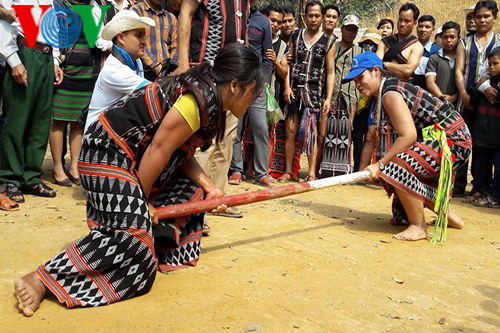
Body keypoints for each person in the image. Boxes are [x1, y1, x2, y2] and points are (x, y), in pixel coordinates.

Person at [14, 43, 265, 317]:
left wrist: (210, 187)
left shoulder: (210, 97)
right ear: (235, 86)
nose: (255, 98)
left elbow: (178, 150)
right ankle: (43, 278)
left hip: (131, 161)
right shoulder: (199, 99)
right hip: (105, 154)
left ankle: (154, 241)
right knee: (134, 240)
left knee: (194, 192)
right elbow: (159, 148)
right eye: (254, 91)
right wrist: (142, 203)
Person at [343, 52, 471, 241]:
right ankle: (447, 214)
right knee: (395, 166)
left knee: (394, 168)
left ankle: (418, 226)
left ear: (376, 71)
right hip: (448, 139)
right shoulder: (386, 90)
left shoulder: (390, 94)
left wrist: (380, 164)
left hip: (452, 141)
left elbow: (408, 135)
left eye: (361, 77)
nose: (358, 84)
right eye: (355, 81)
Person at [175, 0, 250, 224]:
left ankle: (217, 198)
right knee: (201, 141)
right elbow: (185, 12)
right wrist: (182, 62)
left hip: (235, 74)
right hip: (206, 69)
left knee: (226, 138)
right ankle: (193, 203)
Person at [0, 0, 64, 204]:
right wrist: (13, 61)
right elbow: (5, 24)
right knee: (16, 119)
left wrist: (54, 61)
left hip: (45, 57)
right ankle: (10, 177)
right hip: (23, 52)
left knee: (41, 119)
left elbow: (52, 31)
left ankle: (31, 176)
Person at [280, 0, 335, 183]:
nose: (313, 19)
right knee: (290, 131)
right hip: (294, 91)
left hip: (314, 94)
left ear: (321, 17)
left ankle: (311, 173)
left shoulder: (329, 42)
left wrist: (328, 98)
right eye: (310, 15)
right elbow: (288, 62)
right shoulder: (295, 36)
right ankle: (289, 171)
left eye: (317, 16)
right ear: (304, 17)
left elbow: (330, 72)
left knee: (312, 135)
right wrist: (287, 86)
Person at [455, 0, 499, 200]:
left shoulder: (499, 42)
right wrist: (464, 95)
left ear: (494, 18)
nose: (482, 20)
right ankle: (459, 185)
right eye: (478, 16)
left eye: (486, 16)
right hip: (467, 100)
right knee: (461, 141)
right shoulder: (465, 43)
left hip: (492, 105)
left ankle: (485, 188)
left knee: (488, 146)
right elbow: (459, 71)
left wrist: (488, 89)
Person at [229, 0, 275, 187]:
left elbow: (267, 55)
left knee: (261, 128)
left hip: (256, 85)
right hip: (235, 85)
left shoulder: (262, 22)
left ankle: (261, 173)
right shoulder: (230, 17)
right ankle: (236, 170)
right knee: (234, 129)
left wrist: (263, 82)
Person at [84, 10, 154, 132]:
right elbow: (154, 92)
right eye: (138, 35)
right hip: (98, 140)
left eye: (143, 36)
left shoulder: (136, 62)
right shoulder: (114, 70)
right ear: (121, 38)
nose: (144, 41)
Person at [318, 14, 361, 177]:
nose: (350, 32)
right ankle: (319, 169)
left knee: (345, 134)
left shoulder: (359, 50)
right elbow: (329, 71)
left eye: (353, 30)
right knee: (324, 134)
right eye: (348, 29)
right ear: (342, 29)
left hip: (350, 96)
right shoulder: (333, 46)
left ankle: (340, 171)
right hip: (332, 94)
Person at [469, 47, 500, 208]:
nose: (492, 67)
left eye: (495, 63)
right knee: (481, 164)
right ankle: (480, 190)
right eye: (490, 64)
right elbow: (473, 100)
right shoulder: (485, 83)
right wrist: (480, 86)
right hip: (482, 131)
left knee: (499, 167)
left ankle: (496, 196)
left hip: (497, 134)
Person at [352, 28, 381, 173]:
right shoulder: (358, 60)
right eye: (366, 43)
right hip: (361, 105)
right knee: (360, 137)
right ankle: (360, 171)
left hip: (375, 103)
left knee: (373, 135)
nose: (369, 46)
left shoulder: (389, 91)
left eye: (372, 44)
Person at [131, 0, 178, 81]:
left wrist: (169, 69)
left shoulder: (171, 18)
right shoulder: (136, 11)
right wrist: (157, 68)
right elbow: (136, 43)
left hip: (167, 76)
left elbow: (177, 47)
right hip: (143, 72)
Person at [376, 2, 424, 81]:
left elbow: (408, 70)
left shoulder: (417, 46)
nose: (402, 24)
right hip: (381, 84)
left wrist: (385, 64)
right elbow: (375, 64)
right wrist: (399, 69)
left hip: (401, 88)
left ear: (414, 23)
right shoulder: (385, 41)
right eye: (400, 20)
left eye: (407, 21)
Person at [425, 21, 460, 107]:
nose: (448, 40)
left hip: (460, 105)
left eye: (452, 37)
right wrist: (443, 100)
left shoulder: (464, 58)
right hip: (437, 105)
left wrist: (454, 98)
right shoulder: (434, 58)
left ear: (458, 38)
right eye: (445, 37)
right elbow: (430, 82)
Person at [412, 15, 441, 89]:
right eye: (420, 26)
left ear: (433, 30)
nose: (423, 30)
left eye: (427, 27)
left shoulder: (438, 51)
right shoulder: (409, 47)